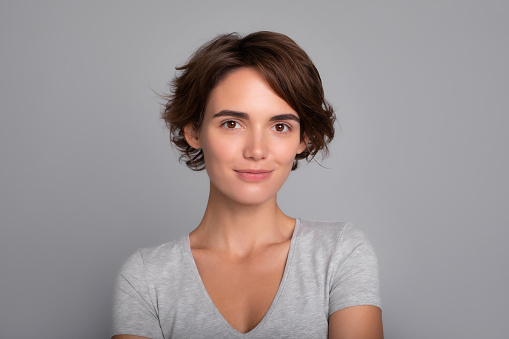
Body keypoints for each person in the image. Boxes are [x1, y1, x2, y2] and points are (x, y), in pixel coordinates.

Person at [111, 31, 383, 339]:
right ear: (194, 131)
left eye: (280, 126)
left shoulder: (341, 254)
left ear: (303, 139)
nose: (256, 150)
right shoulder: (147, 277)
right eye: (232, 124)